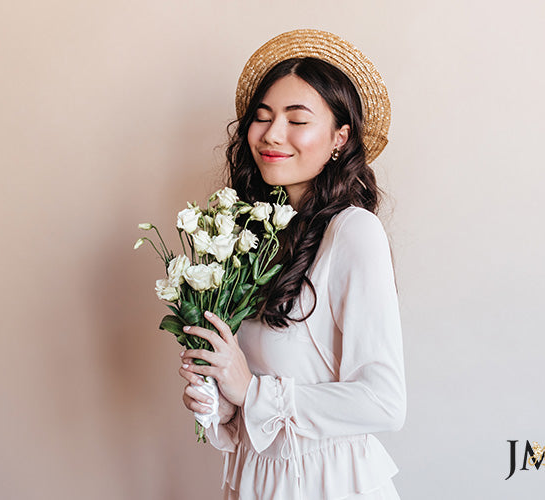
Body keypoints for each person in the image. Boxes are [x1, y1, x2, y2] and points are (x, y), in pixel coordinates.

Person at [177, 29, 406, 500]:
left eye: (297, 119)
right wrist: (217, 398)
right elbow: (255, 403)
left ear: (340, 137)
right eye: (262, 118)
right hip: (256, 482)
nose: (272, 134)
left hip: (326, 486)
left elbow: (384, 402)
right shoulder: (252, 239)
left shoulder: (353, 231)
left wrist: (252, 393)